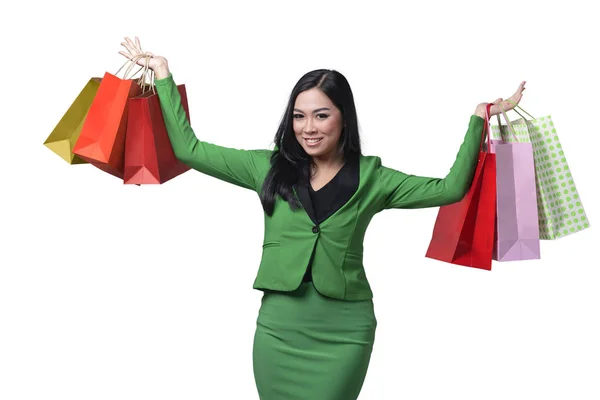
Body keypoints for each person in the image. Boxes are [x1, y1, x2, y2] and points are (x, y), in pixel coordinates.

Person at [119, 36, 526, 400]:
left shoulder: (374, 178)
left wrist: (478, 117)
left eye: (321, 115)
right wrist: (164, 77)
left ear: (343, 118)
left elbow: (449, 189)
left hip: (344, 330)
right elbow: (189, 149)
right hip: (280, 327)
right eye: (299, 116)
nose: (307, 128)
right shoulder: (266, 167)